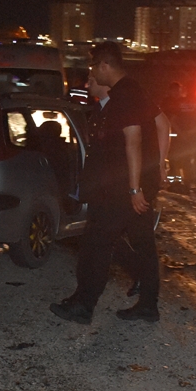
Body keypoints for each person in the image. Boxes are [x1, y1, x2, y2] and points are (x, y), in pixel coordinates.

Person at [51, 41, 161, 324]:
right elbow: (162, 124)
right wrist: (157, 168)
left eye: (92, 67)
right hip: (130, 184)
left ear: (104, 66)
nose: (90, 74)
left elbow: (133, 140)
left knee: (95, 244)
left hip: (120, 187)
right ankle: (148, 304)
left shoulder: (125, 95)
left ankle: (84, 305)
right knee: (143, 244)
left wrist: (135, 188)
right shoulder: (134, 91)